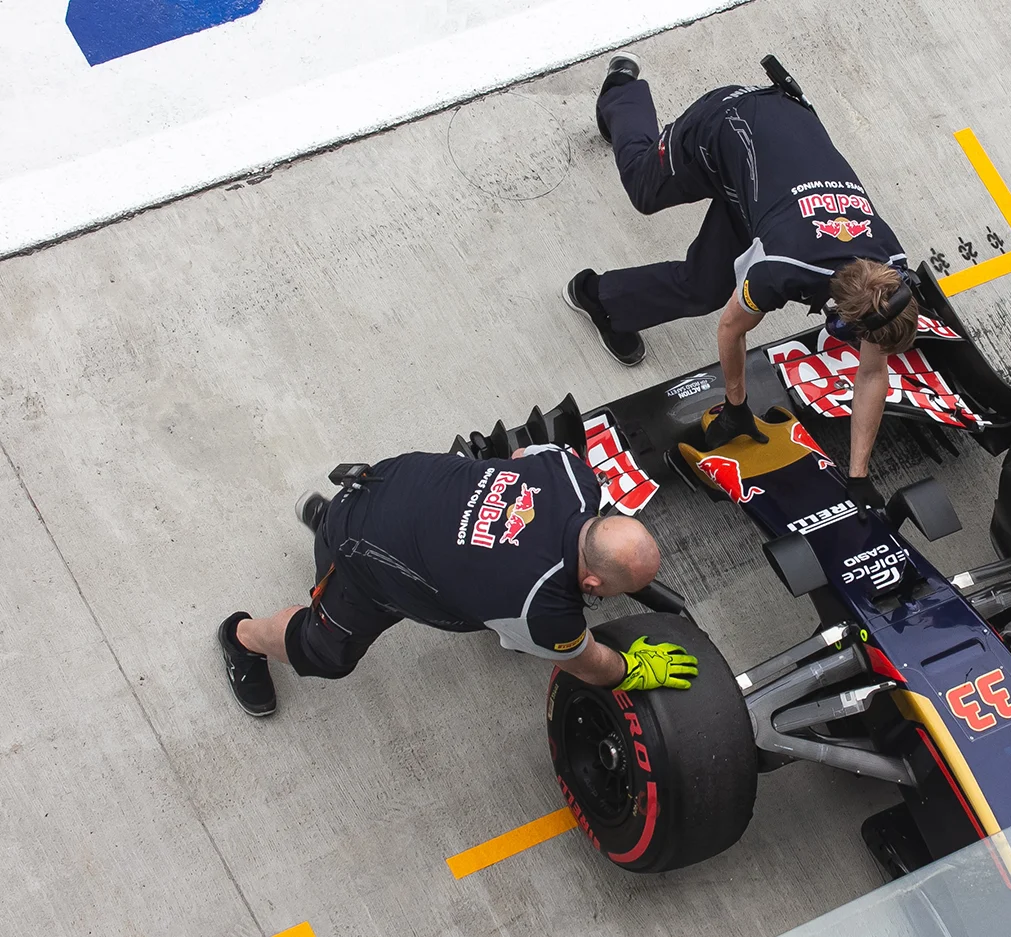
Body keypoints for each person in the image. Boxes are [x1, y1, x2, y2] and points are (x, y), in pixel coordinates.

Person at [562, 53, 918, 507]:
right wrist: (735, 404)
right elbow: (731, 329)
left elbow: (872, 372)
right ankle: (621, 91)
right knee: (643, 188)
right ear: (843, 319)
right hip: (726, 125)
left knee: (705, 287)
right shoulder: (781, 267)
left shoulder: (888, 272)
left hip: (770, 175)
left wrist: (859, 475)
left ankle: (601, 299)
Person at [215, 445, 696, 717]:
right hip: (364, 554)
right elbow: (589, 665)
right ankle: (241, 637)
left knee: (449, 554)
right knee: (323, 653)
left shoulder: (572, 474)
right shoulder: (539, 606)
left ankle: (332, 516)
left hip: (392, 481)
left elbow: (520, 453)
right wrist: (627, 668)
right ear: (591, 581)